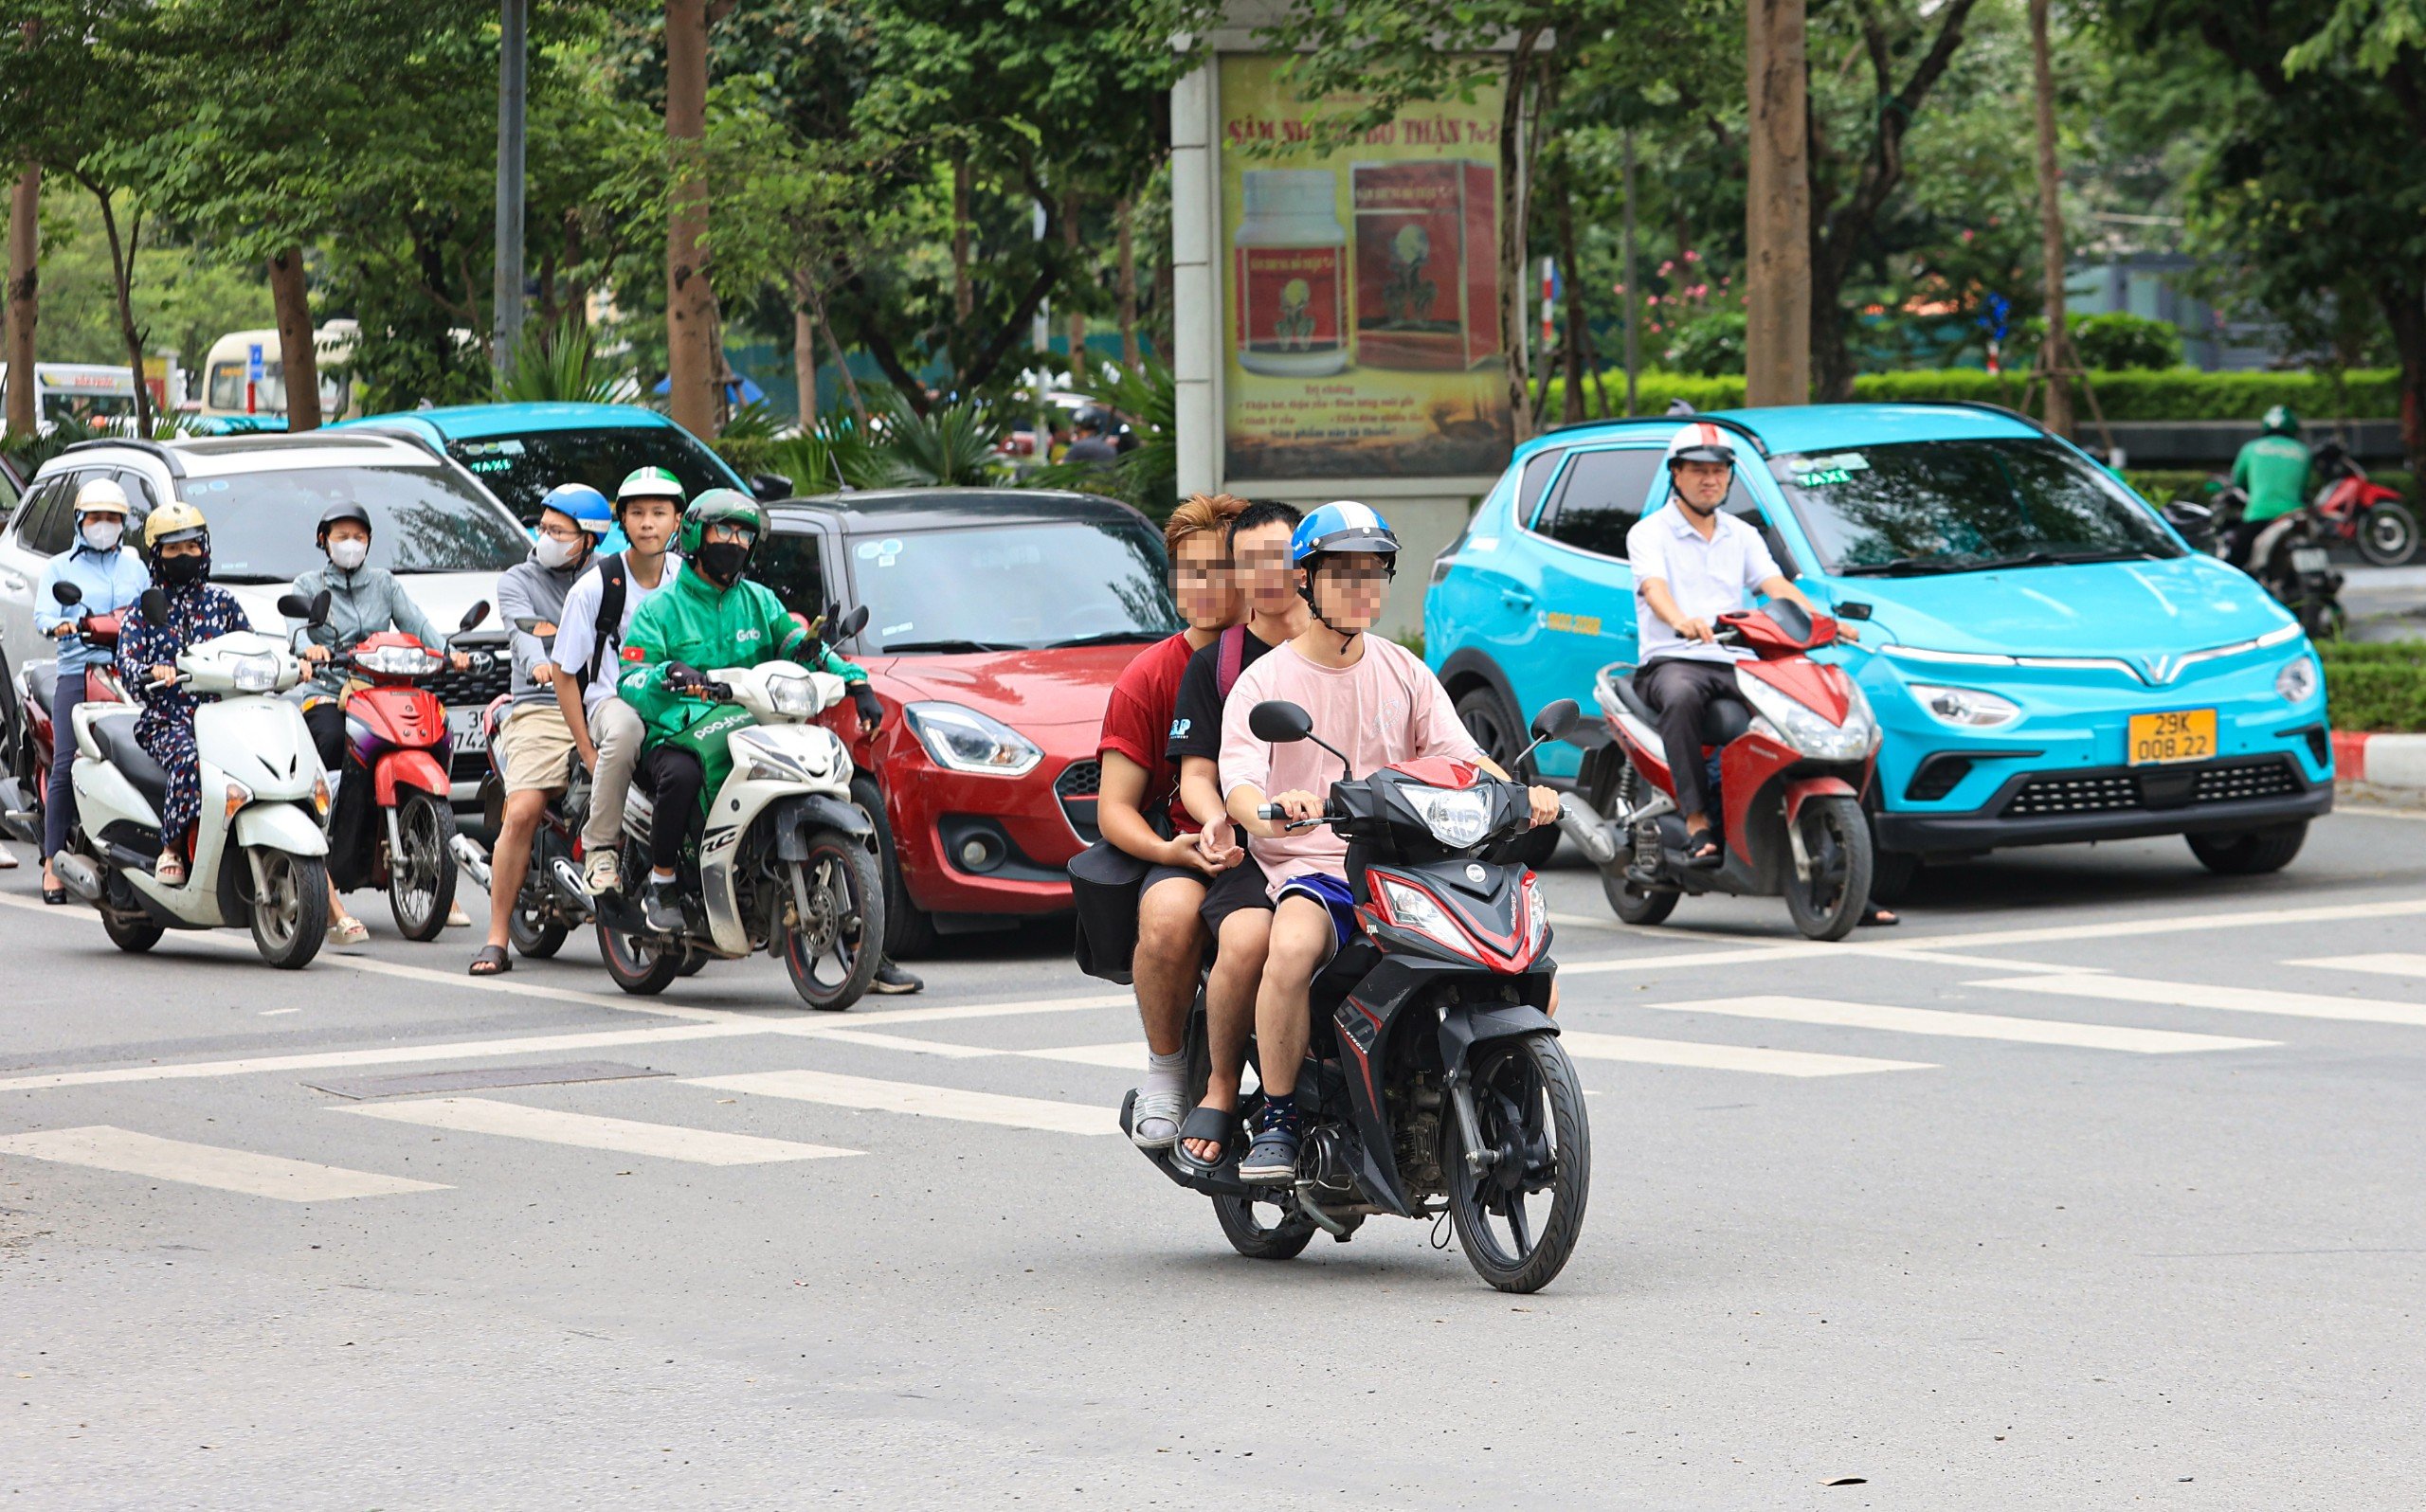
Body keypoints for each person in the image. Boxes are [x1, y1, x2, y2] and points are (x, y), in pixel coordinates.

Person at [1220, 502, 1560, 1183]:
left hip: (1412, 863)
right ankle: (1281, 1119)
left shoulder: (1402, 669)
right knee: (1289, 947)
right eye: (1344, 573)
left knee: (1528, 961)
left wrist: (1522, 792)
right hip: (1317, 864)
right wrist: (1272, 809)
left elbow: (1463, 757)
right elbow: (1241, 786)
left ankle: (1511, 1098)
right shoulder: (1267, 682)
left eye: (1374, 573)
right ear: (1307, 582)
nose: (1363, 589)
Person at [615, 490, 890, 943]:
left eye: (744, 534)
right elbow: (631, 679)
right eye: (724, 530)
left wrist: (857, 683)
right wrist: (669, 674)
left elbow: (803, 647)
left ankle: (869, 953)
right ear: (694, 535)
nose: (736, 542)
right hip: (679, 731)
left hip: (755, 724)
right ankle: (663, 882)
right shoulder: (660, 609)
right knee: (682, 777)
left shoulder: (760, 602)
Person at [1095, 493, 1248, 1150]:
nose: (1199, 585)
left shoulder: (1300, 653)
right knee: (1165, 921)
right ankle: (1166, 1069)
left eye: (1216, 568)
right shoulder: (1150, 676)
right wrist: (1171, 851)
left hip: (1295, 848)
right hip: (1195, 849)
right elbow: (1114, 810)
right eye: (1186, 570)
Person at [1163, 499, 1305, 1171]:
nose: (1267, 575)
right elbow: (1196, 774)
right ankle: (1222, 1084)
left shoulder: (1352, 647)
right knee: (1248, 940)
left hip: (1340, 847)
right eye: (1249, 563)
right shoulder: (1217, 667)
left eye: (1280, 558)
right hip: (1253, 851)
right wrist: (1216, 813)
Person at [1628, 423, 1842, 866]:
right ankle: (1696, 822)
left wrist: (1823, 622)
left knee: (1798, 706)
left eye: (1720, 471)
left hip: (1736, 659)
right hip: (1674, 658)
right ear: (1676, 474)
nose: (1711, 480)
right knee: (1682, 698)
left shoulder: (1741, 534)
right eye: (1699, 470)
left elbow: (1774, 584)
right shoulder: (1649, 533)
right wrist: (1680, 621)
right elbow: (1654, 589)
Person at [289, 497, 471, 945]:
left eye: (358, 536)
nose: (350, 543)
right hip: (331, 693)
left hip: (384, 692)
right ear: (323, 541)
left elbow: (418, 624)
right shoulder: (309, 583)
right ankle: (327, 826)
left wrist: (450, 653)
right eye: (341, 536)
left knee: (424, 740)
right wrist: (310, 651)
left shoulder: (385, 584)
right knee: (332, 739)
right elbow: (298, 635)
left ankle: (431, 870)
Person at [470, 483, 613, 975]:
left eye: (559, 530)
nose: (546, 536)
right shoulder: (518, 579)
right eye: (544, 527)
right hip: (542, 706)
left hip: (605, 702)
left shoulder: (608, 579)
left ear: (588, 540)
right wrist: (542, 665)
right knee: (525, 808)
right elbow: (526, 632)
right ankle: (496, 937)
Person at [550, 466, 687, 899]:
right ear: (622, 521)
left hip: (674, 698)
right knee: (626, 731)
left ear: (678, 520)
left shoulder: (689, 581)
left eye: (659, 512)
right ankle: (601, 848)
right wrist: (588, 750)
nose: (648, 523)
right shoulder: (595, 587)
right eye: (638, 513)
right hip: (613, 700)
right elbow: (564, 672)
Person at [116, 504, 248, 883]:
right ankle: (170, 847)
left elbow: (250, 646)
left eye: (191, 546)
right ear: (157, 554)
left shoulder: (224, 603)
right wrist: (150, 671)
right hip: (167, 720)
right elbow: (127, 665)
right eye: (173, 549)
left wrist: (288, 664)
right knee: (192, 761)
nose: (185, 556)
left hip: (222, 719)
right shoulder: (144, 610)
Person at [31, 478, 150, 903]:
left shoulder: (135, 566)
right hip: (78, 673)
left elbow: (150, 611)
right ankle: (51, 862)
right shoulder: (60, 568)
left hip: (129, 675)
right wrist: (59, 624)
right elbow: (44, 614)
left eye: (113, 518)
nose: (105, 525)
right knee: (66, 764)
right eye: (96, 517)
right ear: (81, 521)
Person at [2226, 404, 2313, 569]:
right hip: (2295, 517)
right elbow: (2305, 488)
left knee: (2235, 564)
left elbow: (2237, 482)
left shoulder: (2250, 448)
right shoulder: (2303, 451)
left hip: (2259, 515)